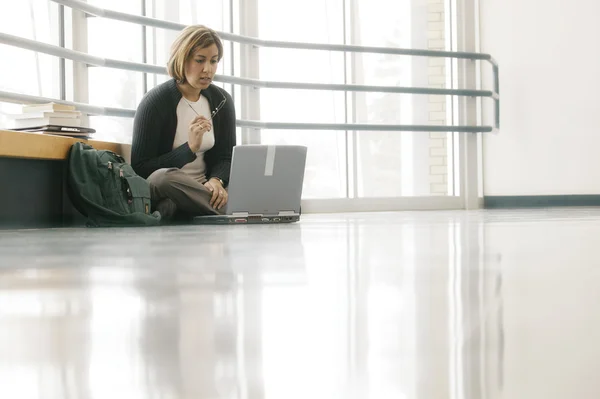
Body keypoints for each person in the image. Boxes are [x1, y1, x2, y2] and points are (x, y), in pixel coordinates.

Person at [130, 25, 235, 222]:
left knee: (253, 182)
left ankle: (190, 207)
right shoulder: (155, 102)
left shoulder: (222, 100)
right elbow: (141, 168)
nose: (208, 69)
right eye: (200, 60)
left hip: (205, 185)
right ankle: (230, 209)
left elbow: (226, 156)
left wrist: (216, 180)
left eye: (214, 61)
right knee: (162, 179)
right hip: (171, 184)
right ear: (182, 58)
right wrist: (189, 149)